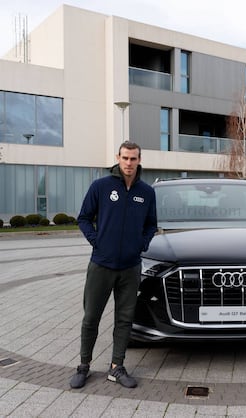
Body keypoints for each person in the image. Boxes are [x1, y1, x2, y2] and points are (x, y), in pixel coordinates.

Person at [70, 141, 157, 389]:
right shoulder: (101, 186)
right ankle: (83, 366)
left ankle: (116, 367)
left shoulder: (147, 192)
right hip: (101, 265)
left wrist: (142, 243)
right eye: (125, 158)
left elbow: (151, 224)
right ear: (118, 158)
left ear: (140, 160)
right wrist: (97, 242)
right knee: (91, 318)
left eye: (134, 159)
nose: (129, 163)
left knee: (125, 319)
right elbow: (84, 218)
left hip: (131, 267)